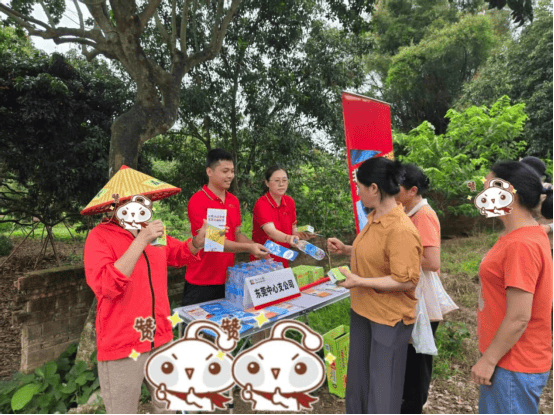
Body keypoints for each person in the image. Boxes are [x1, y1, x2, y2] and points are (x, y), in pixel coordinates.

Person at [84, 196, 208, 414]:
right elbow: (107, 286)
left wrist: (198, 242)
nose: (146, 204)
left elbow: (177, 253)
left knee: (168, 407)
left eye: (147, 199)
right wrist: (140, 241)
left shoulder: (151, 230)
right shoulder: (99, 236)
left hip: (160, 335)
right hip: (123, 343)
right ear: (118, 204)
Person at [327, 157, 423, 414]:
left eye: (359, 187)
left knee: (383, 389)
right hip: (363, 310)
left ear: (374, 188)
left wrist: (359, 281)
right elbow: (376, 254)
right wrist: (347, 249)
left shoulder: (401, 229)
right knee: (359, 382)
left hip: (388, 318)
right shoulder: (375, 217)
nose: (357, 192)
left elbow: (405, 279)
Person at [471, 161, 553, 414]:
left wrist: (489, 360)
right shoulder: (522, 235)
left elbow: (519, 316)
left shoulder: (521, 244)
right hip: (509, 360)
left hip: (512, 363)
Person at [395, 163, 452, 414]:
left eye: (397, 186)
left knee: (417, 359)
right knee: (409, 357)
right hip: (411, 295)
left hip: (423, 298)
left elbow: (432, 261)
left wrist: (396, 255)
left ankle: (413, 406)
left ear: (412, 190)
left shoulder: (423, 216)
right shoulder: (406, 212)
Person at [182, 148, 269, 306]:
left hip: (229, 279)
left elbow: (237, 234)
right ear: (209, 171)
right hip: (201, 282)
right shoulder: (198, 201)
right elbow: (214, 241)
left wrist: (258, 248)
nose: (230, 176)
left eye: (232, 171)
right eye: (225, 171)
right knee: (198, 322)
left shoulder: (233, 201)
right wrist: (249, 248)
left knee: (229, 321)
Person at [251, 165, 314, 268]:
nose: (281, 184)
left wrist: (303, 234)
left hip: (284, 256)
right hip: (263, 260)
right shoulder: (261, 204)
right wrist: (288, 238)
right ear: (267, 183)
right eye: (277, 180)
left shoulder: (289, 202)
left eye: (284, 180)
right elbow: (270, 231)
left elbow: (293, 230)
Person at [520, 156, 553, 250]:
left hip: (549, 246)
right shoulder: (520, 193)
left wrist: (549, 227)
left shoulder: (548, 191)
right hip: (531, 245)